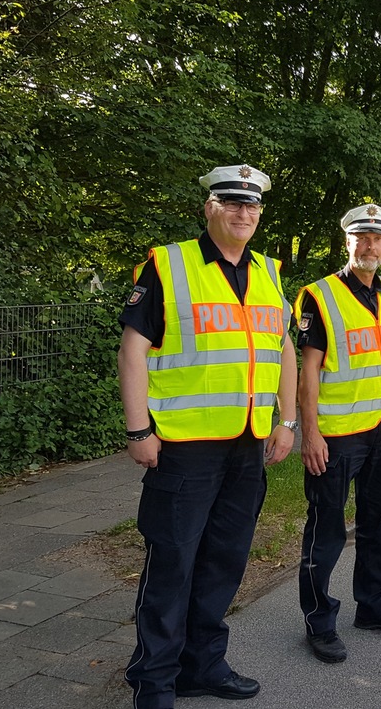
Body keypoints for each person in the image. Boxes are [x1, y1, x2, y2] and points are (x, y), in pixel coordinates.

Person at [118, 164, 299, 708]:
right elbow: (133, 350)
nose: (244, 213)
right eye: (232, 203)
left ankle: (203, 665)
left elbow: (284, 348)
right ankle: (154, 681)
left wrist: (286, 421)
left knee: (224, 560)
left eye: (252, 206)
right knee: (172, 562)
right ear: (210, 208)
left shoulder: (269, 270)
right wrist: (138, 429)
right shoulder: (168, 265)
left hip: (247, 444)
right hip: (182, 447)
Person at [295, 203, 381, 664]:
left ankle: (373, 605)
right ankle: (319, 620)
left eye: (378, 238)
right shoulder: (320, 296)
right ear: (347, 242)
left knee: (377, 522)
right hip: (336, 436)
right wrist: (308, 434)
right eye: (361, 238)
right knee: (325, 530)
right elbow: (307, 372)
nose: (370, 245)